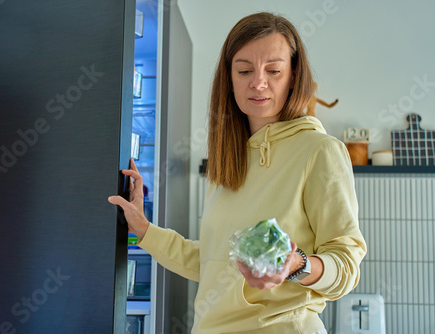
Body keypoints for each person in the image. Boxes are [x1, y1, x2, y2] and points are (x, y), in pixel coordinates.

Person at [109, 12, 366, 334]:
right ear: (229, 79)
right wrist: (144, 229)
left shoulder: (319, 151)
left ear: (294, 74)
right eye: (244, 70)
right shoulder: (227, 158)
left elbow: (346, 266)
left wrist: (296, 265)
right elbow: (215, 263)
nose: (258, 82)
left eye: (274, 70)